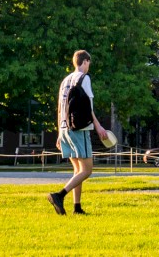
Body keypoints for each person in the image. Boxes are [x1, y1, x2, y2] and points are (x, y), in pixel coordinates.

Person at [48, 50, 105, 216]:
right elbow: (89, 106)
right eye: (89, 63)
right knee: (87, 170)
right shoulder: (83, 78)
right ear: (85, 61)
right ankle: (59, 195)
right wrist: (98, 125)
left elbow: (61, 108)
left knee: (77, 171)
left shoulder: (65, 81)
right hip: (79, 130)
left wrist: (60, 133)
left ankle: (77, 208)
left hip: (65, 129)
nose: (89, 67)